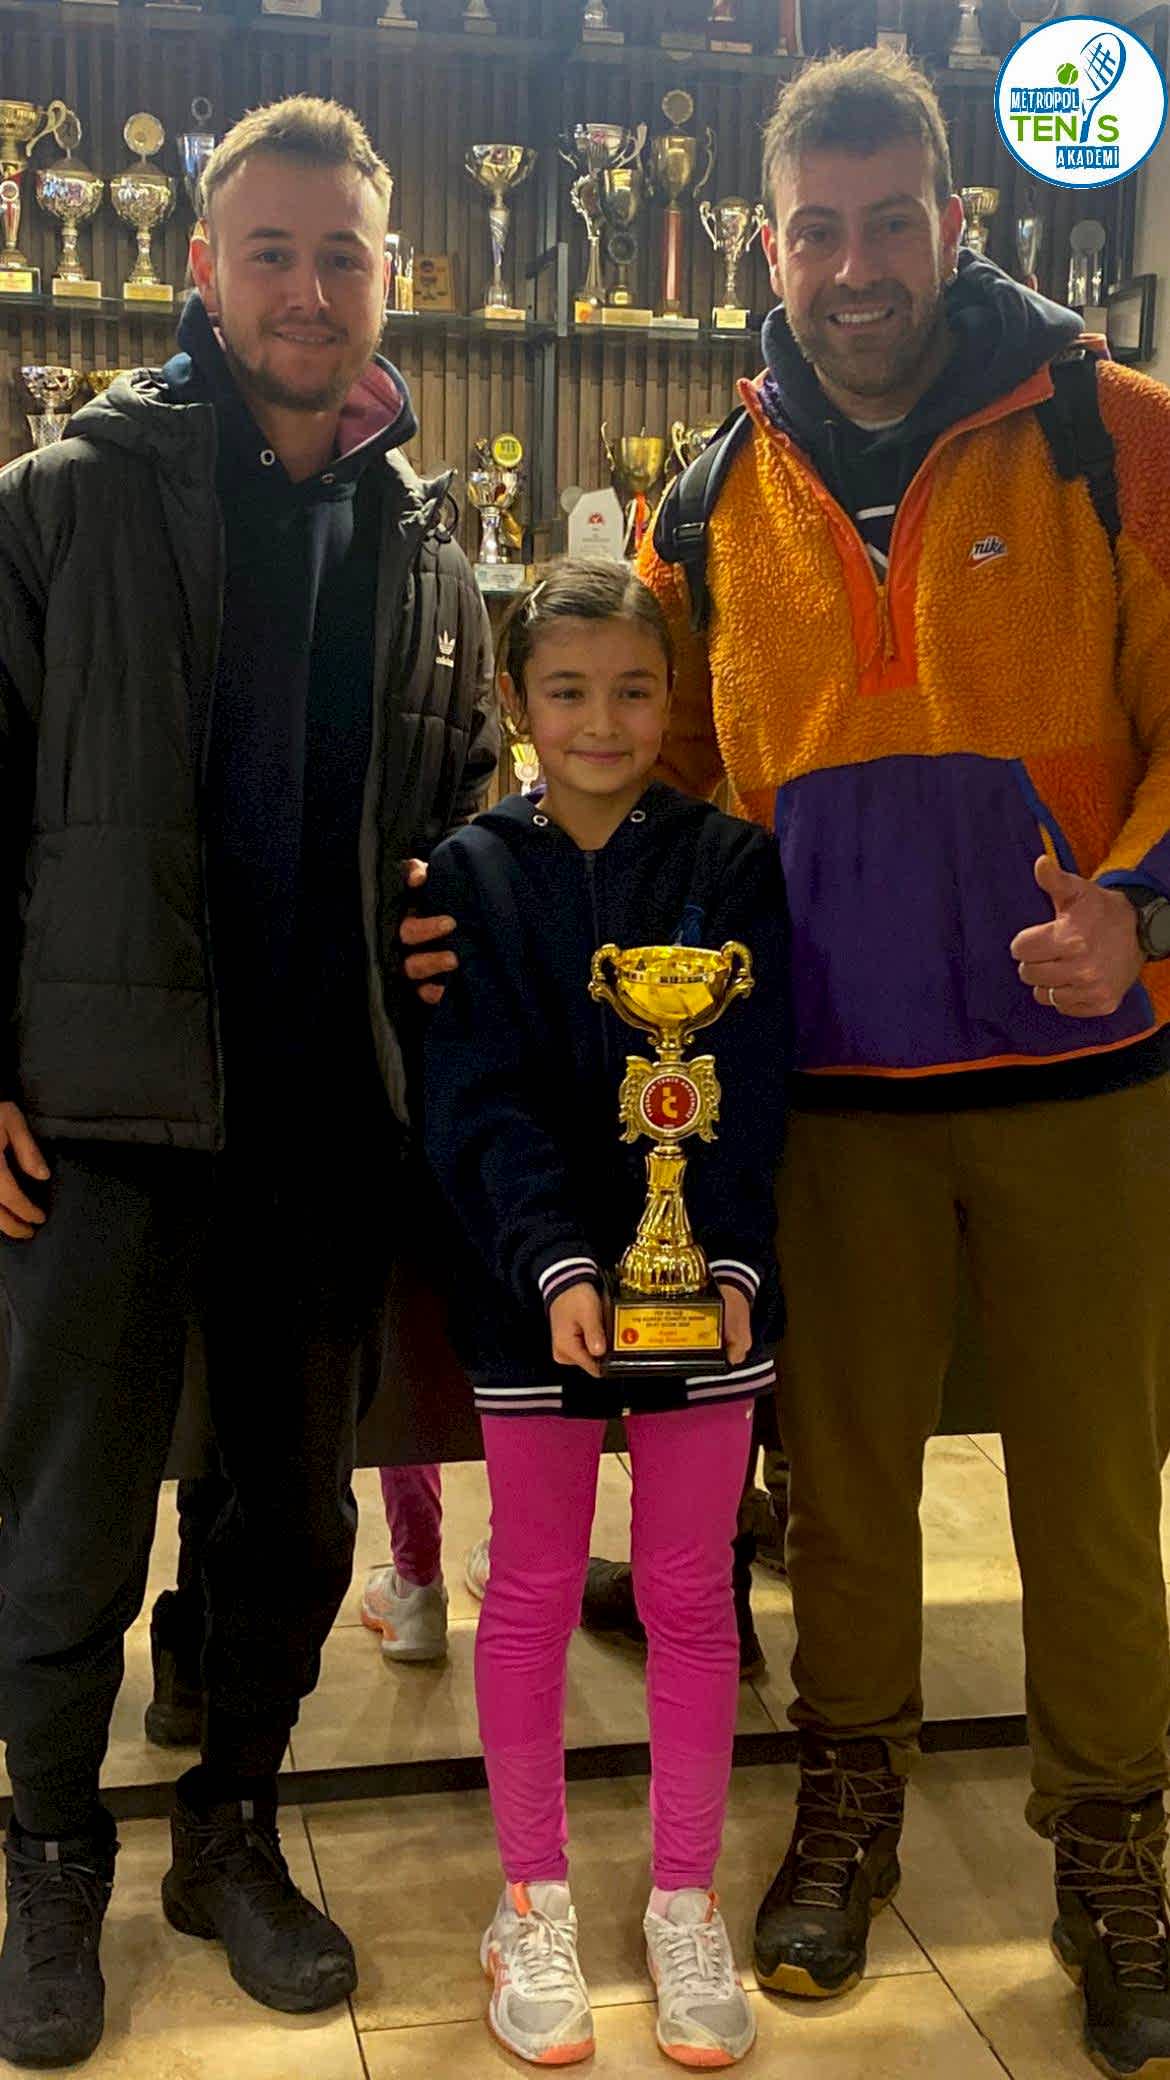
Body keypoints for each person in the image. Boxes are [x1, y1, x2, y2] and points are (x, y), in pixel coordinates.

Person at [635, 45, 1170, 2080]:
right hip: (833, 1101)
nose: (855, 268)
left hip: (1085, 1078)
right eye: (817, 231)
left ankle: (1112, 1849)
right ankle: (844, 1803)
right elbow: (675, 790)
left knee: (1095, 1502)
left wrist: (1141, 906)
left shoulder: (1118, 435)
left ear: (956, 221)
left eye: (889, 224)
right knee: (842, 1493)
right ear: (766, 247)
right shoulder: (706, 498)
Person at [0, 93, 495, 2068]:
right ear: (202, 270)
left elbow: (451, 801)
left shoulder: (421, 537)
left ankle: (230, 1829)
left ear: (390, 281)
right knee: (63, 1518)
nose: (307, 289)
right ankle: (51, 1854)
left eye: (340, 256)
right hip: (100, 1108)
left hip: (322, 1111)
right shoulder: (62, 504)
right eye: (271, 253)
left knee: (289, 1520)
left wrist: (449, 913)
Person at [420, 559, 790, 2069]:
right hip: (535, 1306)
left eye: (634, 690)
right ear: (516, 703)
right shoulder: (468, 873)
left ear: (673, 698)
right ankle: (532, 1898)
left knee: (693, 1596)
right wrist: (556, 1264)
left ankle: (684, 1899)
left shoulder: (731, 865)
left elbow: (753, 1089)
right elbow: (474, 1097)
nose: (601, 721)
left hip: (707, 1307)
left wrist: (731, 1264)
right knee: (527, 1591)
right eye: (566, 690)